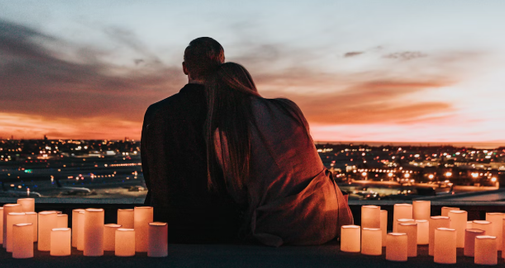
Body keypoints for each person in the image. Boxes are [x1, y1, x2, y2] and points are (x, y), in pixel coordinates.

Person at [205, 62, 353, 246]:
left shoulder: (226, 133)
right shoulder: (288, 108)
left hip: (286, 228)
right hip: (333, 217)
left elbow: (238, 195)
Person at [140, 38, 241, 243]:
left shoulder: (156, 112)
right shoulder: (233, 112)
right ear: (221, 66)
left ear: (185, 68)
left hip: (166, 225)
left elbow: (151, 175)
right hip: (219, 226)